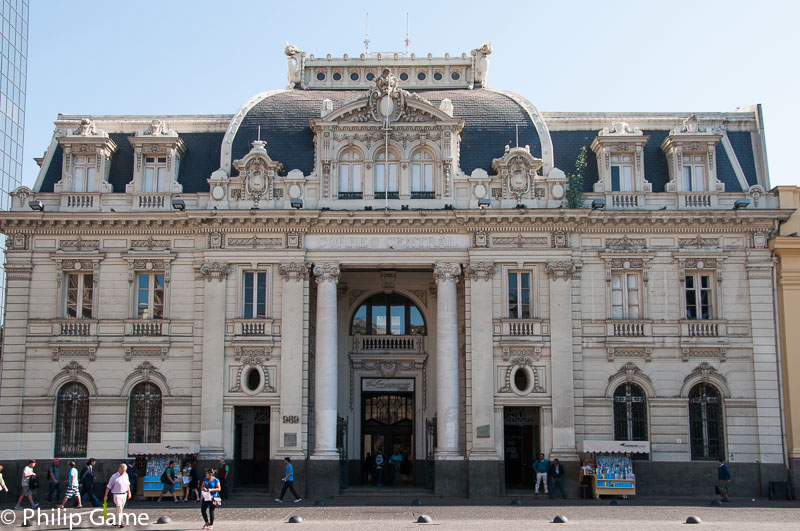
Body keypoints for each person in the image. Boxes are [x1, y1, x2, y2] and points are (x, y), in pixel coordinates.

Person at [104, 463, 131, 529]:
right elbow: (109, 486)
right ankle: (121, 522)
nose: (124, 472)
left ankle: (115, 521)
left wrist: (129, 492)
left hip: (124, 494)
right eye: (123, 470)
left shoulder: (126, 475)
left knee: (119, 509)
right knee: (119, 507)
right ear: (119, 469)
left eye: (125, 470)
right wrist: (106, 495)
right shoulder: (114, 476)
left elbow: (128, 484)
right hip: (116, 494)